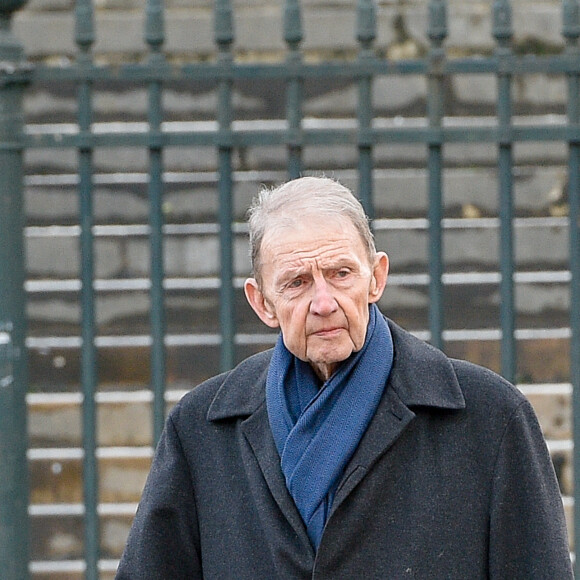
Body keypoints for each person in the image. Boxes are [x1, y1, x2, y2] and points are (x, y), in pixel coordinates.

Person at [116, 176, 572, 579]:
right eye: (296, 282)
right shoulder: (202, 428)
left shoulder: (489, 418)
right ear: (261, 303)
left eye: (341, 274)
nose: (324, 302)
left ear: (376, 278)